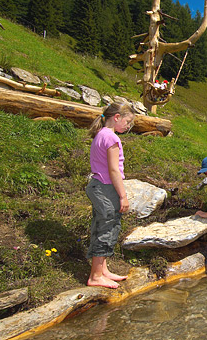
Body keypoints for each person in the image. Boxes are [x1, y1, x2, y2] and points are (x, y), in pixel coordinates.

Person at [85, 102, 136, 289]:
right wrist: (123, 196)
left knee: (101, 225)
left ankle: (103, 269)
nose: (128, 126)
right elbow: (114, 170)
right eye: (127, 121)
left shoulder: (101, 134)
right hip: (106, 188)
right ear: (116, 118)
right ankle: (96, 276)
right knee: (107, 228)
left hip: (97, 186)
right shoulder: (112, 139)